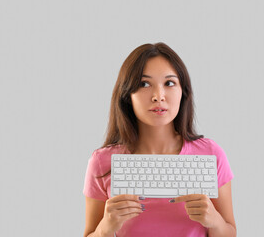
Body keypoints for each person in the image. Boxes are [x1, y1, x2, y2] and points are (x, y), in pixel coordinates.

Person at [83, 42, 236, 237]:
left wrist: (215, 222)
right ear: (127, 94)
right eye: (144, 84)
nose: (158, 96)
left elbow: (230, 232)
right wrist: (105, 228)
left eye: (169, 83)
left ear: (183, 92)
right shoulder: (102, 162)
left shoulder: (211, 154)